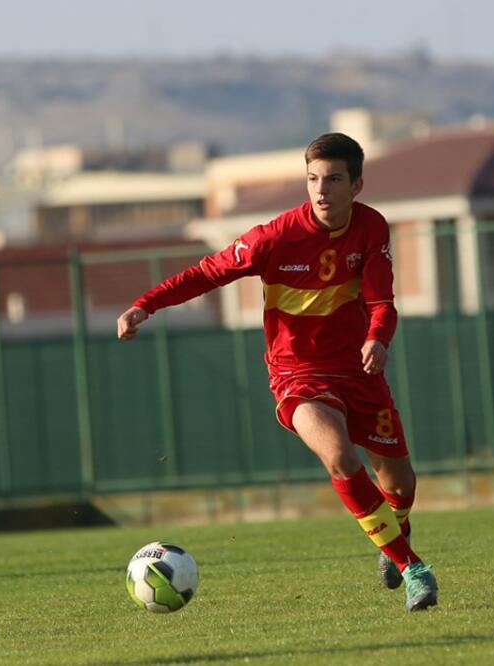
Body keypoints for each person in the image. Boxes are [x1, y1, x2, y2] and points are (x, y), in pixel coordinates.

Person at [116, 133, 438, 612]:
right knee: (338, 456)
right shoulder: (274, 237)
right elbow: (208, 272)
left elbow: (380, 301)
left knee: (400, 484)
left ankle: (396, 537)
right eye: (312, 179)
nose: (321, 190)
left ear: (357, 185)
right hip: (297, 375)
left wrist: (376, 338)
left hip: (359, 370)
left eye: (332, 179)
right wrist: (147, 305)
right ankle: (414, 568)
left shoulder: (371, 228)